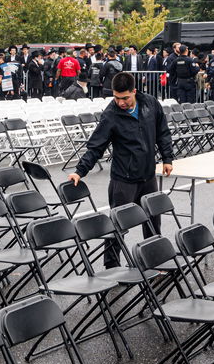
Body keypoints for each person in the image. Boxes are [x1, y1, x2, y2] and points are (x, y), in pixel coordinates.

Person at [68, 71, 175, 268]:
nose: (121, 102)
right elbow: (95, 147)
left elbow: (163, 132)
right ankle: (112, 267)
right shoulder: (111, 115)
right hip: (123, 180)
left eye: (125, 98)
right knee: (118, 226)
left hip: (148, 175)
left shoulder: (150, 104)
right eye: (116, 98)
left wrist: (167, 158)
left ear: (134, 91)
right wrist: (79, 171)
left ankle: (154, 261)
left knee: (152, 222)